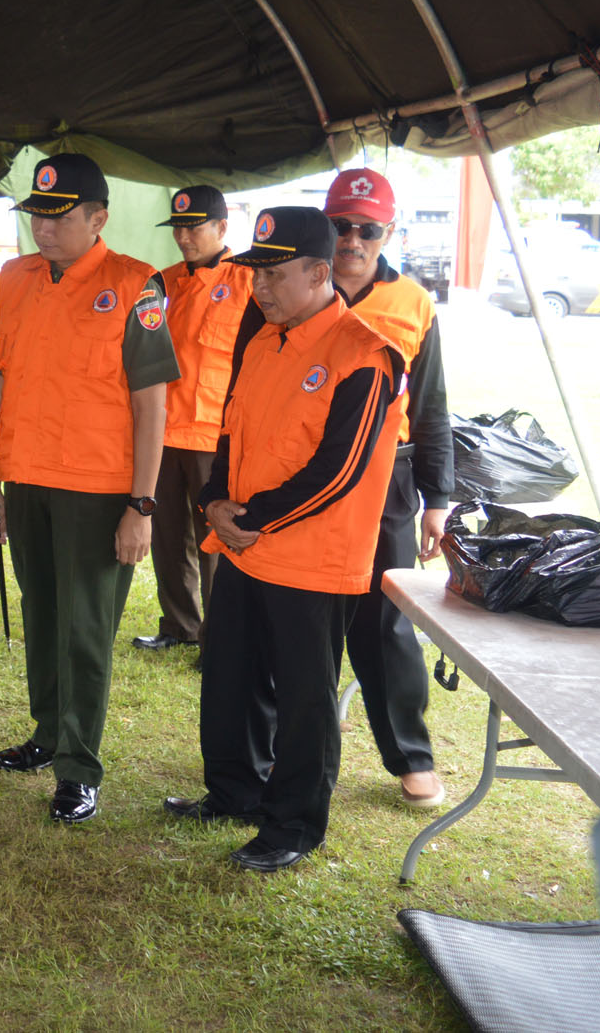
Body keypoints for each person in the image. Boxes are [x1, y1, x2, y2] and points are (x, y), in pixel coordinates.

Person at [164, 207, 406, 872]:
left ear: (319, 272)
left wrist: (252, 515)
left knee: (304, 696)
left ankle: (293, 824)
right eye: (254, 272)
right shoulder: (264, 339)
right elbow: (229, 429)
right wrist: (214, 498)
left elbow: (341, 468)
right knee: (230, 674)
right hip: (245, 542)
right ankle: (234, 791)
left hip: (310, 555)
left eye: (272, 273)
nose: (259, 286)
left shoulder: (363, 352)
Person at [0, 153, 177, 823]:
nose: (43, 227)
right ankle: (47, 734)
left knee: (86, 629)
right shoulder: (15, 277)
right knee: (42, 617)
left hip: (97, 489)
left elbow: (153, 405)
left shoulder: (135, 284)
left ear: (98, 218)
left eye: (59, 216)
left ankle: (79, 765)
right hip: (27, 477)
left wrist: (141, 504)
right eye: (36, 214)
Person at [320, 168, 454, 809]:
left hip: (388, 476)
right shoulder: (290, 285)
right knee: (303, 618)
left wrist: (439, 500)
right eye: (340, 225)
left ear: (388, 232)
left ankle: (411, 755)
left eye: (366, 229)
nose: (351, 239)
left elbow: (431, 409)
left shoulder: (414, 303)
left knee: (387, 623)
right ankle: (302, 753)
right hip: (303, 474)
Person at [136, 185, 255, 654]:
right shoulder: (161, 283)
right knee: (168, 538)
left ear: (222, 228)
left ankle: (220, 637)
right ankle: (179, 625)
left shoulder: (248, 281)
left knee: (215, 541)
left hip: (214, 435)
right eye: (178, 228)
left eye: (194, 227)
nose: (184, 237)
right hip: (162, 432)